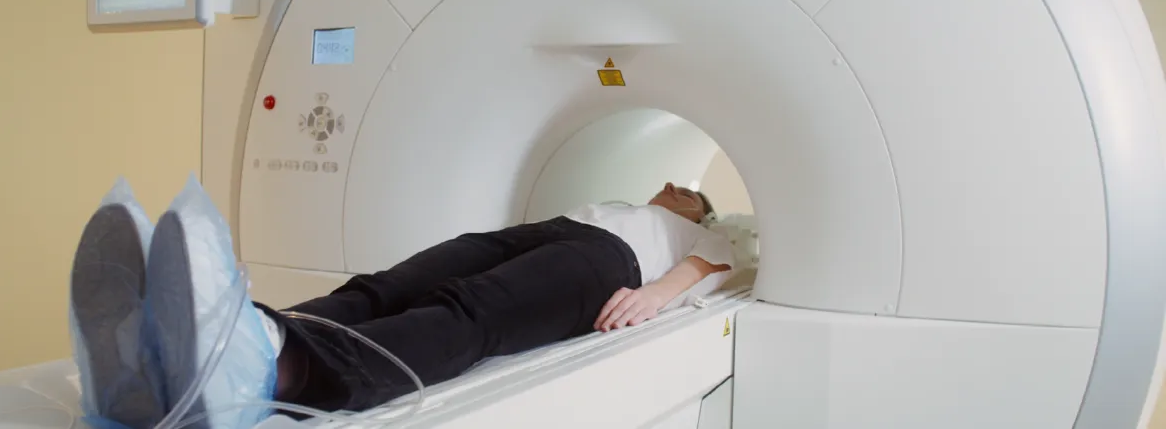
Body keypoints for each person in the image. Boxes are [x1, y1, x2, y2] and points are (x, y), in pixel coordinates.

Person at [67, 178, 737, 429]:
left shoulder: (699, 230)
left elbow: (720, 263)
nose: (676, 183)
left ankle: (279, 368)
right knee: (384, 286)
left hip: (604, 263)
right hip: (551, 230)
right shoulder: (615, 199)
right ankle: (226, 338)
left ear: (696, 209)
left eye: (687, 189)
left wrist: (657, 292)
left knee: (471, 310)